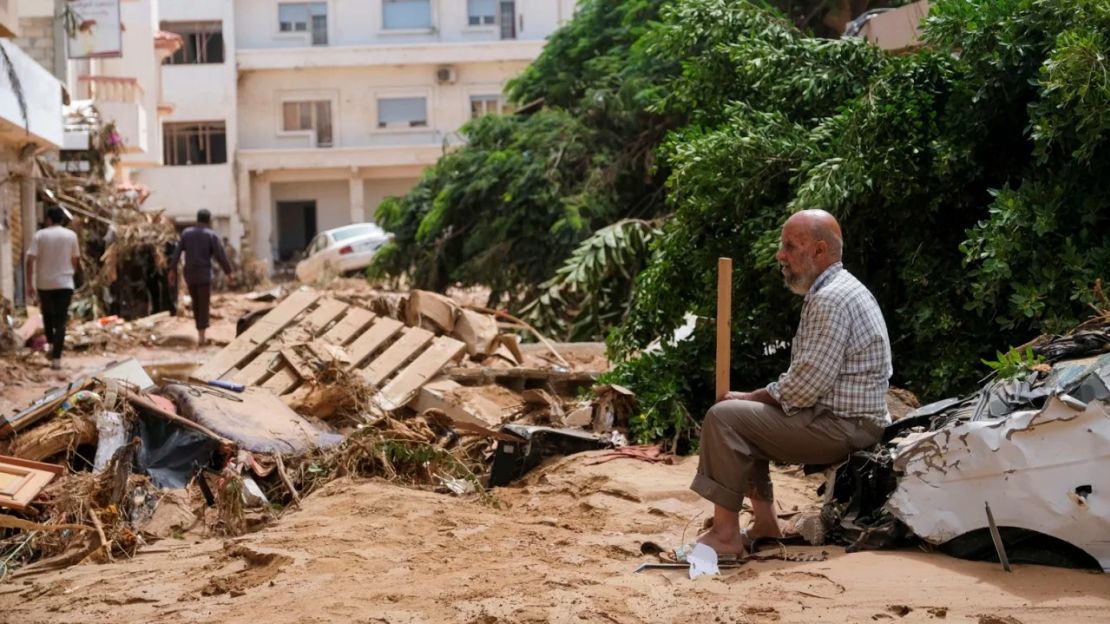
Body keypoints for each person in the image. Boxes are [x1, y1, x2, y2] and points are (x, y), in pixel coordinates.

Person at [692, 209, 892, 557]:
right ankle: (766, 523)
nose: (780, 255)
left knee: (724, 418)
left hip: (844, 427)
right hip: (851, 422)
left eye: (789, 246)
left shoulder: (830, 299)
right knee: (744, 415)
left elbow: (805, 386)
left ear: (818, 251)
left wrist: (751, 396)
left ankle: (725, 536)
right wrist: (755, 400)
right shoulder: (841, 288)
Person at [25, 205, 81, 370]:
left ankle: (50, 345)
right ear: (62, 219)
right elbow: (75, 260)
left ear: (48, 219)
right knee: (61, 321)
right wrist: (70, 273)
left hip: (45, 284)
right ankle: (56, 359)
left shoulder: (40, 235)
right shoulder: (71, 236)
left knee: (48, 317)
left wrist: (29, 283)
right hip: (65, 283)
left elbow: (29, 260)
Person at [169, 209, 233, 346]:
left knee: (195, 302)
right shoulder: (211, 235)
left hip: (190, 275)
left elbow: (177, 253)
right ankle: (202, 336)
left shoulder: (186, 233)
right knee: (203, 304)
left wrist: (172, 270)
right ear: (208, 220)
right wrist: (228, 272)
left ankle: (200, 332)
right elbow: (220, 255)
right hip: (204, 275)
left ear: (197, 219)